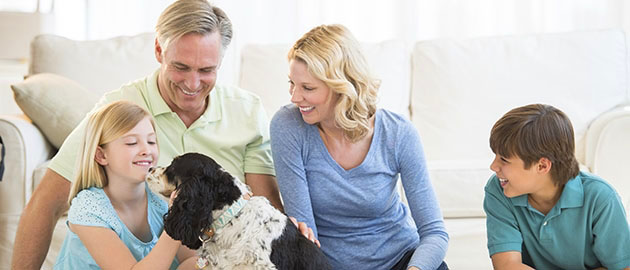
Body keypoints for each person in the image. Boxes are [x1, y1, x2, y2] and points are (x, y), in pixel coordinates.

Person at [11, 1, 303, 268]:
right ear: (159, 51)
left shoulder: (248, 111)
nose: (193, 83)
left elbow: (265, 216)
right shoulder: (121, 111)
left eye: (206, 70)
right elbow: (46, 203)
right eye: (180, 67)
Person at [270, 24, 449, 270]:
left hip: (402, 260)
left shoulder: (398, 134)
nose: (294, 97)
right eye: (292, 83)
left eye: (307, 88)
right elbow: (306, 237)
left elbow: (434, 232)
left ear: (341, 86)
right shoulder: (288, 126)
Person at [483, 104, 630, 270]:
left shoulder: (601, 197)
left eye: (504, 159)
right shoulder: (499, 190)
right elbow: (507, 266)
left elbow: (622, 267)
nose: (493, 166)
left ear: (542, 166)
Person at [54, 101, 195, 269]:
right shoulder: (88, 208)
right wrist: (176, 221)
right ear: (101, 155)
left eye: (151, 142)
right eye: (131, 143)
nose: (146, 150)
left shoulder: (161, 202)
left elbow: (190, 260)